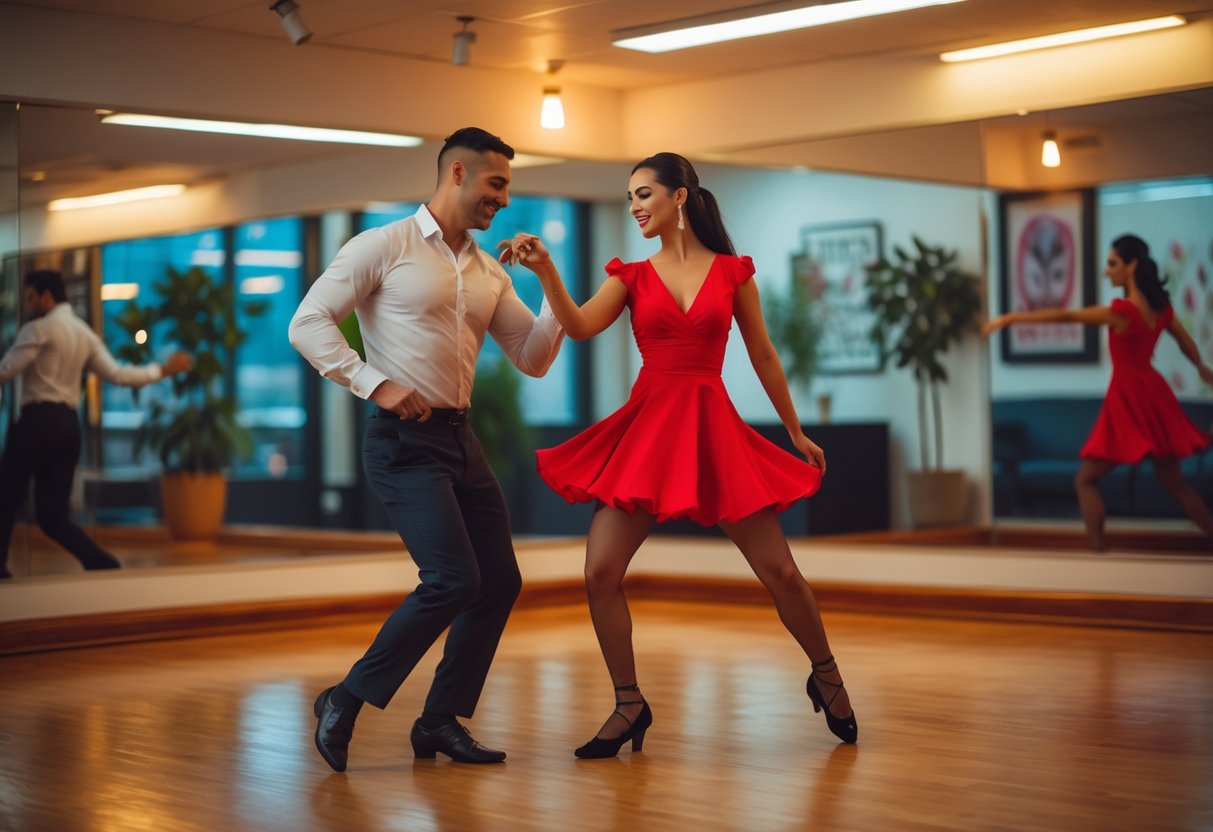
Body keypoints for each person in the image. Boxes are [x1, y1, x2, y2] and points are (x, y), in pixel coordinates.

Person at [497, 152, 858, 755]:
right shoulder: (630, 276)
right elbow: (581, 327)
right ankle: (629, 704)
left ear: (679, 197)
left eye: (644, 194)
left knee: (782, 572)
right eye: (631, 197)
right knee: (600, 572)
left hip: (712, 428)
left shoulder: (733, 273)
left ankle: (826, 673)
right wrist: (547, 271)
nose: (635, 206)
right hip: (648, 431)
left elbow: (764, 355)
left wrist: (794, 432)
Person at [288, 127, 565, 770]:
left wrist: (549, 278)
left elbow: (534, 357)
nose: (503, 198)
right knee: (452, 580)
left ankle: (438, 722)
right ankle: (345, 698)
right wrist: (374, 383)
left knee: (497, 582)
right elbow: (307, 323)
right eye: (496, 183)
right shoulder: (384, 245)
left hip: (458, 440)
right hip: (402, 441)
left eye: (508, 187)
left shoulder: (488, 269)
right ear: (459, 173)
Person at [984, 233, 1213, 551]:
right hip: (1154, 394)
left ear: (1131, 266)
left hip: (1129, 397)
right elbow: (1187, 344)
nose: (1107, 272)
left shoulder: (1123, 311)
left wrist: (1011, 318)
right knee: (1177, 485)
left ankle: (1098, 549)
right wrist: (1201, 367)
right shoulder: (1162, 310)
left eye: (1112, 264)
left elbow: (1068, 316)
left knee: (1085, 480)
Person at [0, 269, 192, 579]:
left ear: (45, 297)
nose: (28, 304)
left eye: (30, 298)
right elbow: (119, 375)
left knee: (5, 495)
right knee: (51, 516)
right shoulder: (84, 333)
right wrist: (163, 370)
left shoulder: (37, 329)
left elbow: (6, 371)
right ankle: (101, 562)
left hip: (37, 422)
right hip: (68, 426)